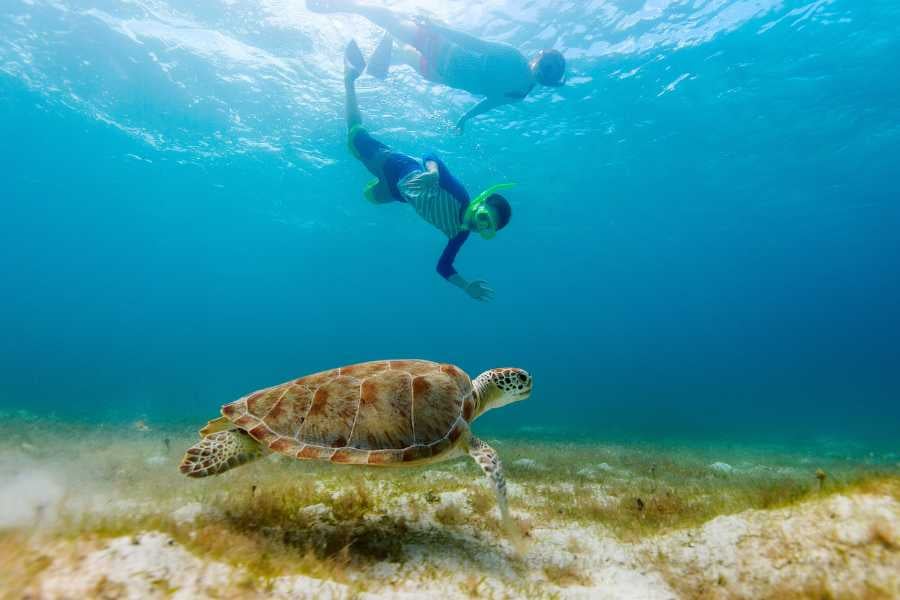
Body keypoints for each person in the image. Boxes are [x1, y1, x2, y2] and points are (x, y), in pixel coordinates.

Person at [342, 41, 513, 301]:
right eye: (484, 217)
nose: (480, 226)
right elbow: (430, 155)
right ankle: (350, 78)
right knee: (354, 136)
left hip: (398, 193)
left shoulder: (460, 235)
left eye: (486, 228)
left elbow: (443, 267)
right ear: (479, 204)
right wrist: (433, 173)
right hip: (397, 166)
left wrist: (466, 286)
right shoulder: (459, 194)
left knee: (369, 197)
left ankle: (375, 179)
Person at [308, 0, 566, 131]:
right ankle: (346, 5)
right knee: (396, 23)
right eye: (549, 64)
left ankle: (390, 46)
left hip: (441, 72)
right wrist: (438, 28)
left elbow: (489, 102)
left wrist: (465, 118)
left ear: (552, 80)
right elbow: (475, 43)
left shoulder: (519, 93)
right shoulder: (512, 58)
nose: (548, 69)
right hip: (445, 52)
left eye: (553, 70)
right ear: (538, 58)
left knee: (403, 48)